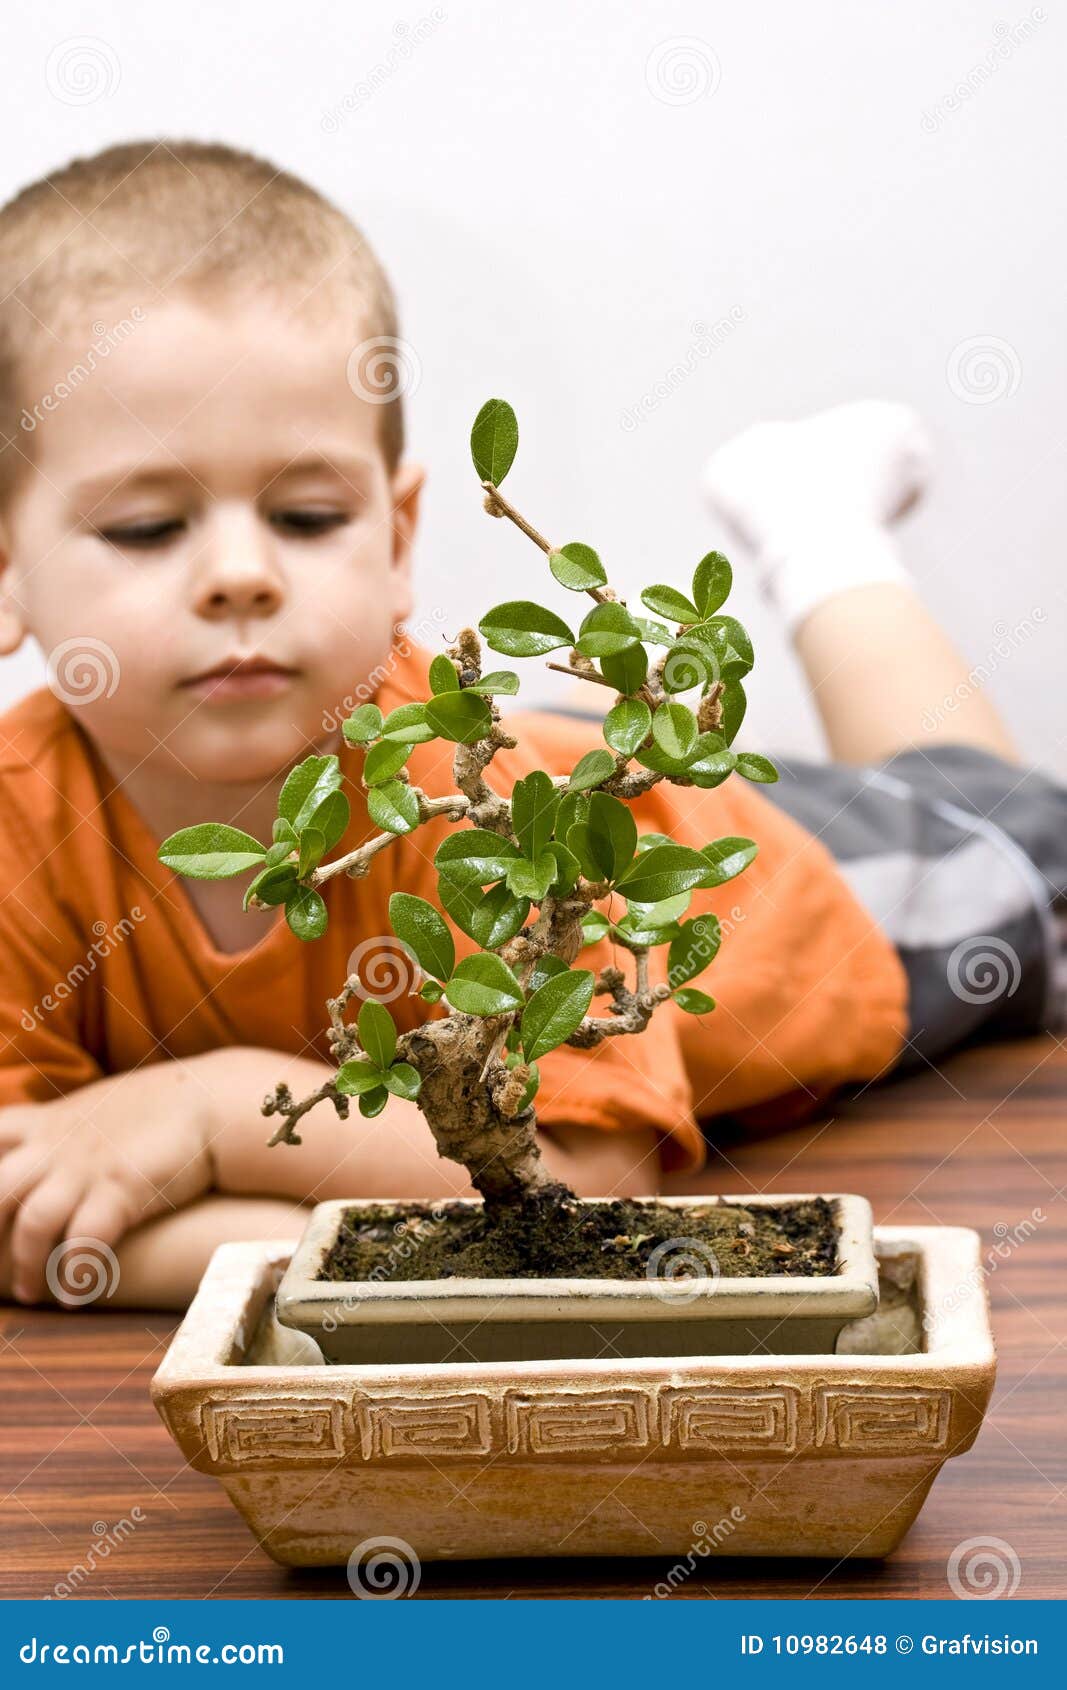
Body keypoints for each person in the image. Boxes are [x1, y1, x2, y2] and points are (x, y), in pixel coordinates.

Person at [0, 142, 1060, 1311]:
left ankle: (821, 533)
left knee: (1002, 830)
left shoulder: (493, 821)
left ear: (396, 540)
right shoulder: (15, 833)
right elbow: (25, 1210)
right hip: (523, 764)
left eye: (305, 516)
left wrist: (213, 1119)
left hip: (803, 900)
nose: (241, 574)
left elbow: (584, 1190)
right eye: (147, 528)